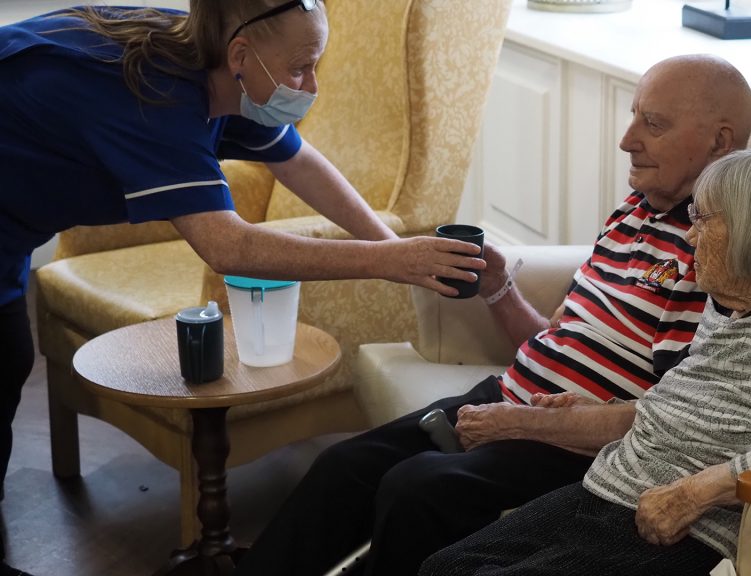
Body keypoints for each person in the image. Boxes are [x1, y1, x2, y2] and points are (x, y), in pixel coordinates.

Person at [0, 2, 483, 574]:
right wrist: (386, 261)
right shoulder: (156, 99)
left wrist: (397, 248)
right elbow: (228, 246)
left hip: (12, 224)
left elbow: (299, 163)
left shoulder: (220, 70)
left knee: (7, 359)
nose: (312, 85)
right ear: (241, 55)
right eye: (301, 67)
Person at [233, 54, 751, 576]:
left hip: (579, 445)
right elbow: (554, 339)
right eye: (634, 115)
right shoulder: (631, 212)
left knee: (418, 489)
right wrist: (499, 287)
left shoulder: (719, 251)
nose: (627, 140)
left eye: (654, 124)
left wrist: (530, 424)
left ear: (720, 142)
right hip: (509, 396)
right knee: (344, 466)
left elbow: (670, 420)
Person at [419, 147, 751, 576]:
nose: (689, 235)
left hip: (692, 529)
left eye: (704, 219)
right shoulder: (731, 300)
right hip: (611, 486)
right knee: (443, 566)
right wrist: (597, 410)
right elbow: (704, 410)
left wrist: (697, 493)